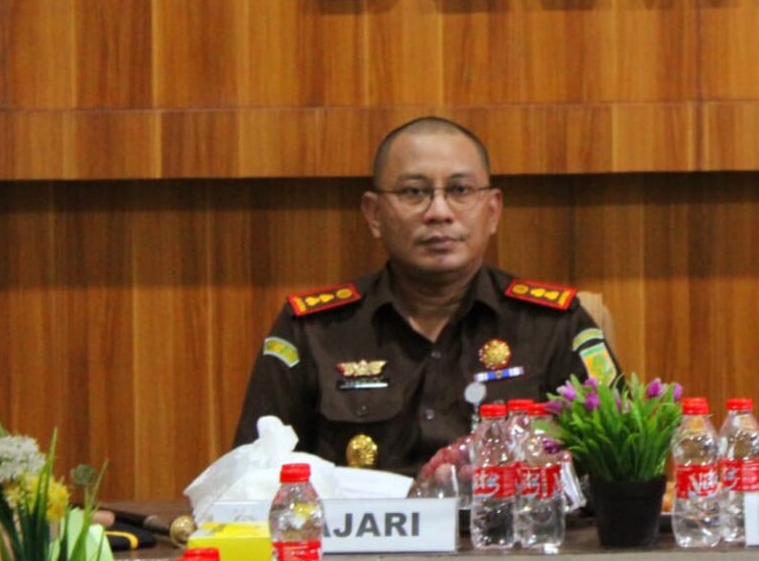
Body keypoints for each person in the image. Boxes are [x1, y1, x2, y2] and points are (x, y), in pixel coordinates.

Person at [233, 117, 619, 474]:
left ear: (493, 211)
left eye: (460, 190)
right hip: (364, 529)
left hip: (506, 527)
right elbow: (252, 477)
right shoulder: (312, 331)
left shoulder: (555, 326)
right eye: (414, 192)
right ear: (374, 214)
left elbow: (621, 469)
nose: (439, 212)